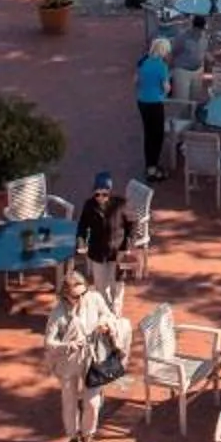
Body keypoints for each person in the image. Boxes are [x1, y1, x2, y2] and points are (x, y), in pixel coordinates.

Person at [42, 264, 127, 442]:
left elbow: (108, 314)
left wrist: (105, 324)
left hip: (92, 359)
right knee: (69, 401)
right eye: (75, 296)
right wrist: (67, 345)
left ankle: (88, 435)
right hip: (68, 361)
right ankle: (72, 439)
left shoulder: (94, 298)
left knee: (92, 402)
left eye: (83, 293)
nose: (80, 299)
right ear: (65, 295)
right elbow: (48, 341)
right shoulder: (58, 312)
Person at [76, 171, 131, 296]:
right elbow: (82, 225)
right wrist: (81, 238)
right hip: (97, 251)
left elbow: (131, 226)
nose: (100, 198)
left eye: (104, 194)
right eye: (97, 194)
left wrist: (125, 247)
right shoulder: (89, 206)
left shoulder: (121, 205)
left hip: (116, 250)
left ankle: (115, 312)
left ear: (110, 192)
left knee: (116, 284)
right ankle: (104, 311)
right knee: (100, 285)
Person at [133, 40, 171, 181]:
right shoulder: (162, 66)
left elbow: (136, 81)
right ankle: (153, 167)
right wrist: (165, 92)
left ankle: (149, 165)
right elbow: (166, 87)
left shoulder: (143, 62)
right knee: (158, 135)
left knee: (148, 134)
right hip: (155, 102)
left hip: (142, 101)